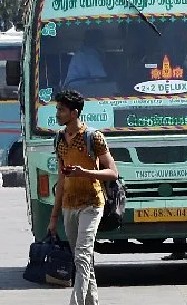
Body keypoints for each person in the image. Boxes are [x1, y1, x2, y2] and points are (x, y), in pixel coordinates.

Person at [48, 90, 119, 305]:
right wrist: (53, 216)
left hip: (92, 203)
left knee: (82, 255)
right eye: (58, 109)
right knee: (83, 260)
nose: (58, 113)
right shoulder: (59, 139)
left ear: (74, 113)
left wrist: (86, 173)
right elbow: (61, 179)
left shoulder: (93, 137)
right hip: (69, 205)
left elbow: (113, 172)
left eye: (61, 110)